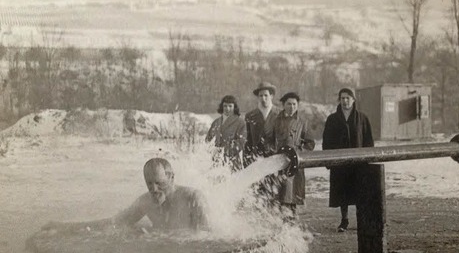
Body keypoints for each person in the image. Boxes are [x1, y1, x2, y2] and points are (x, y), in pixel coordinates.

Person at [44, 158, 210, 232]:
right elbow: (114, 223)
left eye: (159, 183)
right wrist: (63, 227)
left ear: (171, 177)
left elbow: (208, 237)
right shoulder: (145, 202)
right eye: (149, 183)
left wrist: (164, 237)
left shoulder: (193, 198)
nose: (153, 189)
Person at [322, 87, 374, 232]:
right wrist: (329, 161)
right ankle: (344, 220)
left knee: (360, 192)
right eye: (342, 98)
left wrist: (367, 161)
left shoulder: (362, 118)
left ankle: (361, 220)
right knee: (342, 193)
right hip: (340, 164)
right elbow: (327, 141)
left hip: (358, 163)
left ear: (353, 100)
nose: (345, 101)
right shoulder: (332, 119)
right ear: (339, 100)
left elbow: (368, 141)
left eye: (348, 98)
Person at [263, 92, 315, 216]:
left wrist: (300, 155)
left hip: (295, 164)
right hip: (279, 161)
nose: (291, 107)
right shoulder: (275, 121)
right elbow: (267, 140)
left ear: (297, 105)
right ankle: (280, 223)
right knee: (279, 194)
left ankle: (291, 222)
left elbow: (310, 143)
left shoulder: (303, 122)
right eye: (288, 104)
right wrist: (273, 152)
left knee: (292, 196)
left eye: (294, 104)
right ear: (283, 105)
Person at [205, 95, 246, 171]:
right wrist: (212, 149)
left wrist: (224, 150)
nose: (227, 109)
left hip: (232, 163)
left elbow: (241, 142)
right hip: (215, 162)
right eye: (225, 106)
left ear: (234, 107)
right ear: (222, 107)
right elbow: (208, 140)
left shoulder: (240, 122)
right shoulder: (216, 122)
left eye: (230, 106)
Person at [244, 82, 281, 164]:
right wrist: (246, 160)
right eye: (260, 96)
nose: (263, 99)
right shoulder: (250, 116)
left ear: (271, 96)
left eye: (266, 95)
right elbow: (248, 141)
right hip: (256, 160)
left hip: (275, 160)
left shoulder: (280, 114)